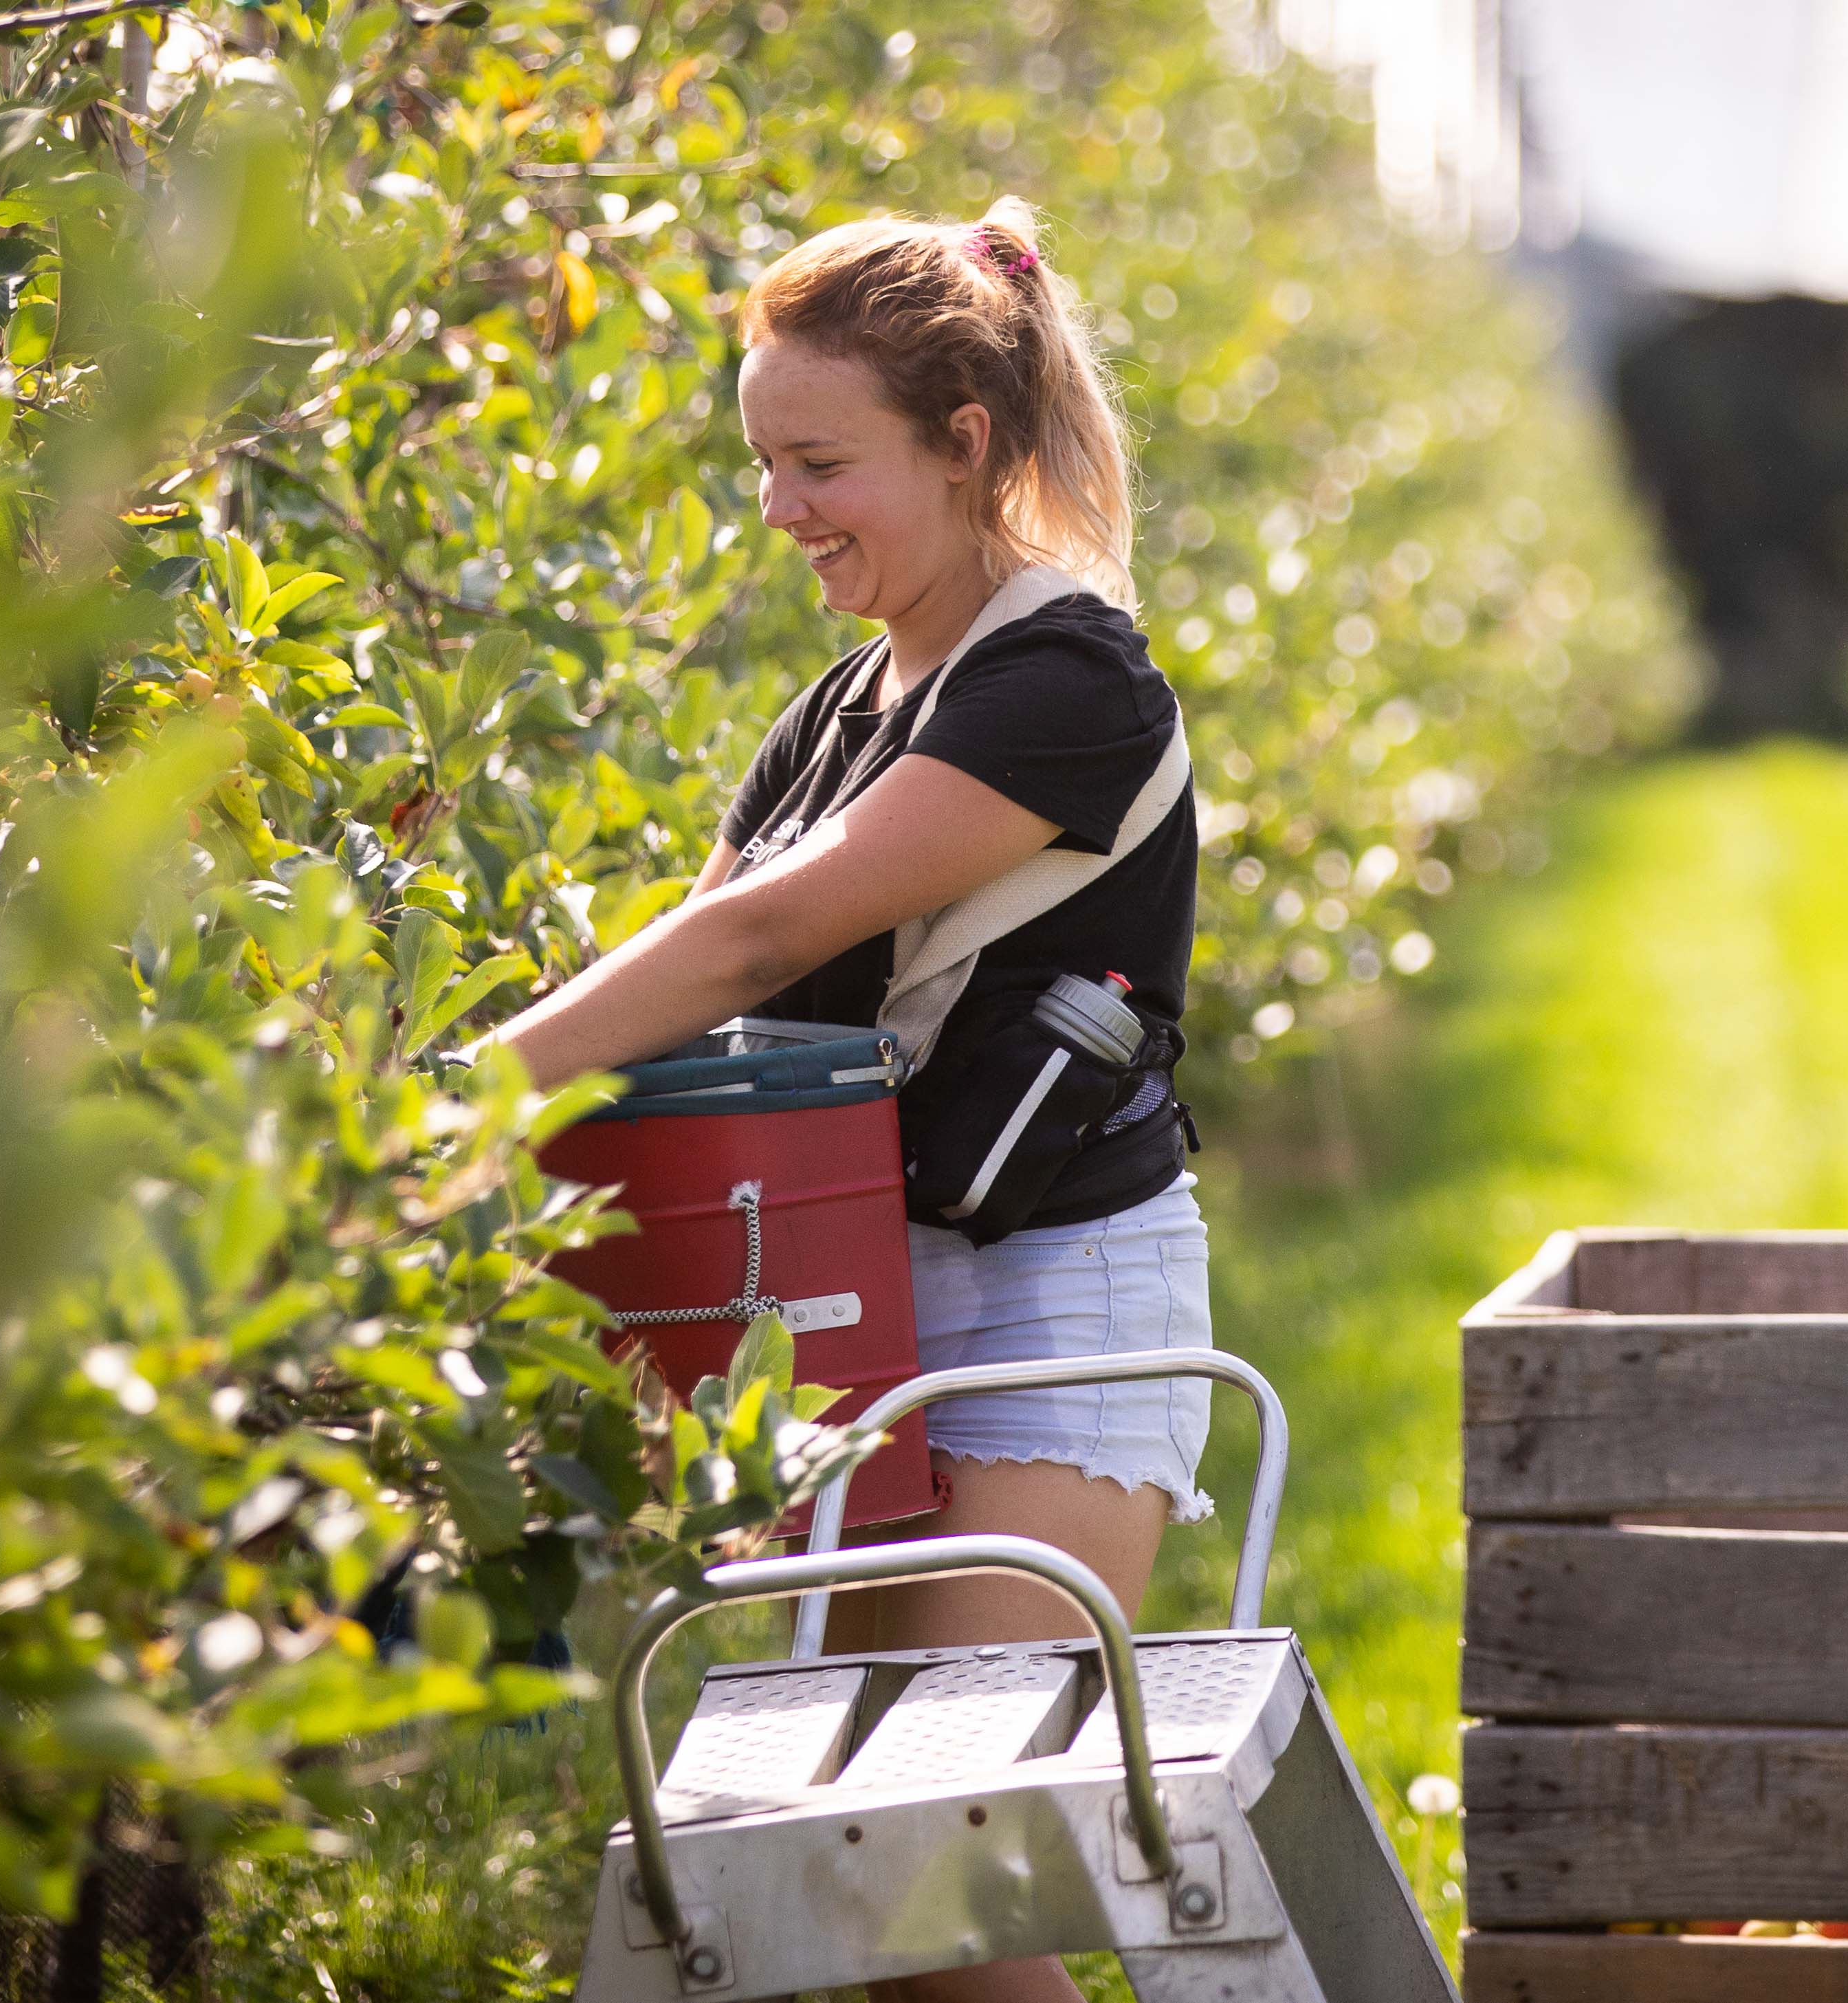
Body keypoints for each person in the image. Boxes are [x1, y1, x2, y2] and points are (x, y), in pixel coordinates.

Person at [478, 197, 1206, 2003]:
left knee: (925, 1894)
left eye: (818, 463)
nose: (779, 509)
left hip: (1049, 1321)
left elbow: (766, 931)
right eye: (761, 464)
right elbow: (700, 964)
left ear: (966, 446)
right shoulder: (833, 712)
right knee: (875, 1920)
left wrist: (459, 1102)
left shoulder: (1062, 684)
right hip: (845, 1328)